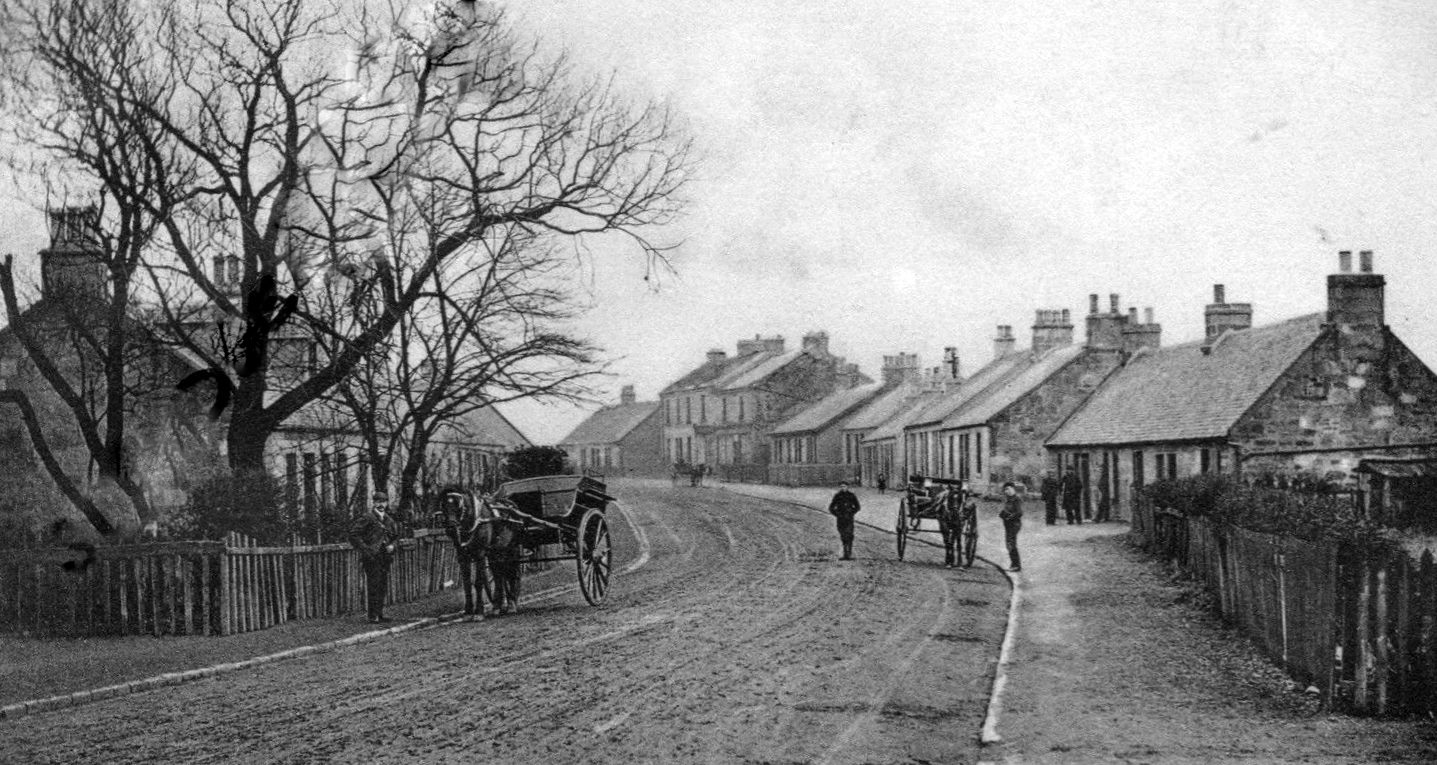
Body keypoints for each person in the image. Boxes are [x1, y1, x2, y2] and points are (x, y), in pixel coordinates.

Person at [350, 490, 399, 623]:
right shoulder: (368, 518)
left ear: (387, 503)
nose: (381, 504)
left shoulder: (389, 520)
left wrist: (392, 546)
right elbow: (354, 534)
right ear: (373, 503)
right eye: (378, 502)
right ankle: (373, 616)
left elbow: (395, 537)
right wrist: (366, 549)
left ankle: (380, 613)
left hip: (385, 557)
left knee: (382, 584)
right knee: (374, 584)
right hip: (372, 557)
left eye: (383, 502)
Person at [828, 482, 861, 560]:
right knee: (843, 536)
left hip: (849, 519)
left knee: (849, 535)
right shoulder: (837, 496)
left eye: (844, 486)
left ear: (847, 487)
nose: (843, 488)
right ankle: (845, 553)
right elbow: (831, 507)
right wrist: (837, 514)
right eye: (841, 486)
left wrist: (852, 512)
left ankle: (848, 554)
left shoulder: (851, 495)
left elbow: (857, 506)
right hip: (840, 519)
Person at [1000, 481, 1023, 572]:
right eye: (1005, 489)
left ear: (1013, 489)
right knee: (1009, 544)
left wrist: (1010, 517)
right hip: (1009, 524)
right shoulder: (1009, 499)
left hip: (1014, 524)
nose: (1006, 491)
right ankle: (1014, 564)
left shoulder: (1016, 499)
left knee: (1011, 544)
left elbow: (1019, 512)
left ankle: (1016, 565)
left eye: (1008, 489)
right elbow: (1007, 509)